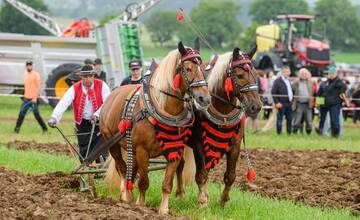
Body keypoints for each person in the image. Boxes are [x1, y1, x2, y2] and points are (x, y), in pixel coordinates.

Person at [48, 64, 111, 161]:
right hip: (82, 124)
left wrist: (97, 114)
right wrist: (54, 117)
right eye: (85, 77)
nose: (88, 79)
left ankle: (101, 167)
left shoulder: (102, 85)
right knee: (84, 151)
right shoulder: (74, 88)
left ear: (93, 76)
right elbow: (64, 102)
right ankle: (87, 166)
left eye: (90, 76)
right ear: (81, 77)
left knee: (100, 149)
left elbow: (108, 102)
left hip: (99, 122)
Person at [14, 61, 48, 134]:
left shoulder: (36, 75)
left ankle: (45, 129)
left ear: (32, 66)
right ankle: (16, 130)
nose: (29, 67)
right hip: (26, 98)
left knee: (36, 115)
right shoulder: (25, 75)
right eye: (28, 66)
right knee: (21, 114)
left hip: (33, 99)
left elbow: (38, 87)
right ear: (26, 66)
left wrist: (35, 98)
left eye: (30, 65)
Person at [316, 65, 348, 138]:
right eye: (329, 73)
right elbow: (319, 94)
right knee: (322, 120)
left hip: (335, 105)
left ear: (336, 74)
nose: (331, 75)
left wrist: (337, 80)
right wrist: (318, 103)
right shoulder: (324, 83)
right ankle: (320, 132)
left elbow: (344, 88)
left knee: (334, 120)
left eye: (333, 73)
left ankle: (335, 135)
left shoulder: (339, 82)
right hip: (324, 104)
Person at [271, 66, 293, 134]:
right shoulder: (277, 81)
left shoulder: (288, 80)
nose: (287, 73)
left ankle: (289, 133)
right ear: (282, 72)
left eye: (288, 72)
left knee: (289, 119)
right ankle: (279, 133)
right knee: (279, 119)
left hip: (289, 103)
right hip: (281, 103)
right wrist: (277, 102)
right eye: (285, 72)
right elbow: (273, 92)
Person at [291, 68, 314, 134]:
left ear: (307, 75)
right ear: (299, 75)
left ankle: (308, 133)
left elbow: (315, 93)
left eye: (305, 74)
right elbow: (291, 92)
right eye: (302, 74)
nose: (304, 75)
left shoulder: (311, 83)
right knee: (297, 120)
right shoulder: (296, 83)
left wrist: (317, 103)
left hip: (308, 105)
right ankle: (294, 132)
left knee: (309, 121)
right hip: (299, 104)